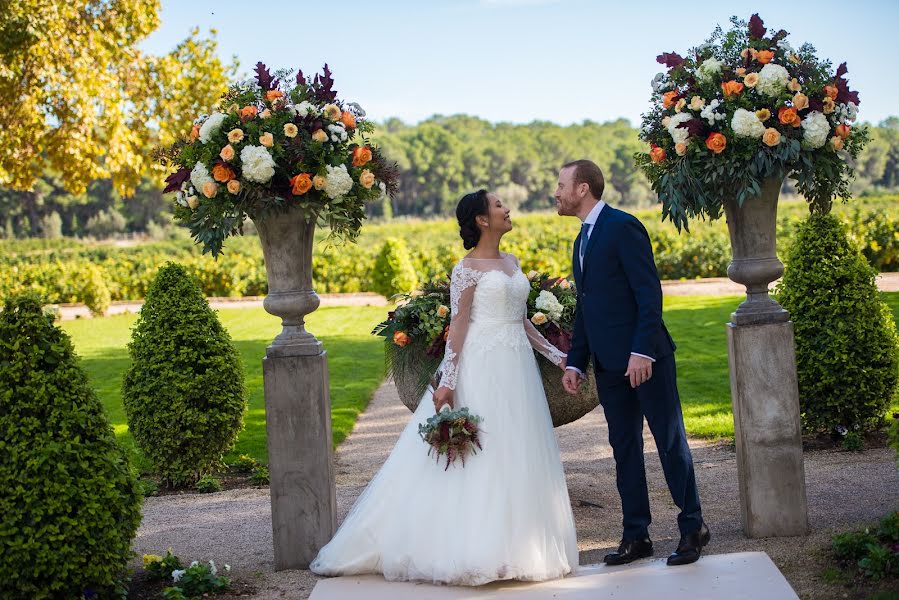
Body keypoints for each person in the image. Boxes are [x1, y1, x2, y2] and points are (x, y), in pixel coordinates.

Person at [310, 189, 579, 585]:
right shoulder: (466, 268)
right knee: (481, 454)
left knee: (516, 449)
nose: (507, 209)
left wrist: (559, 357)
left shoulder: (512, 261)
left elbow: (520, 321)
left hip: (516, 367)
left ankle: (519, 548)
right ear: (482, 220)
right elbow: (458, 326)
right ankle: (474, 549)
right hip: (483, 366)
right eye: (499, 205)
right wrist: (448, 381)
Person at [557, 159, 710, 567]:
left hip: (647, 360)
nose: (555, 192)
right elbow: (586, 309)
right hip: (609, 366)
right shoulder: (581, 240)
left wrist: (641, 351)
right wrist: (576, 362)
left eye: (561, 184)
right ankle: (636, 535)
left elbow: (648, 293)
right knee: (624, 450)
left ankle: (692, 526)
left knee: (670, 443)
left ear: (583, 188)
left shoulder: (623, 227)